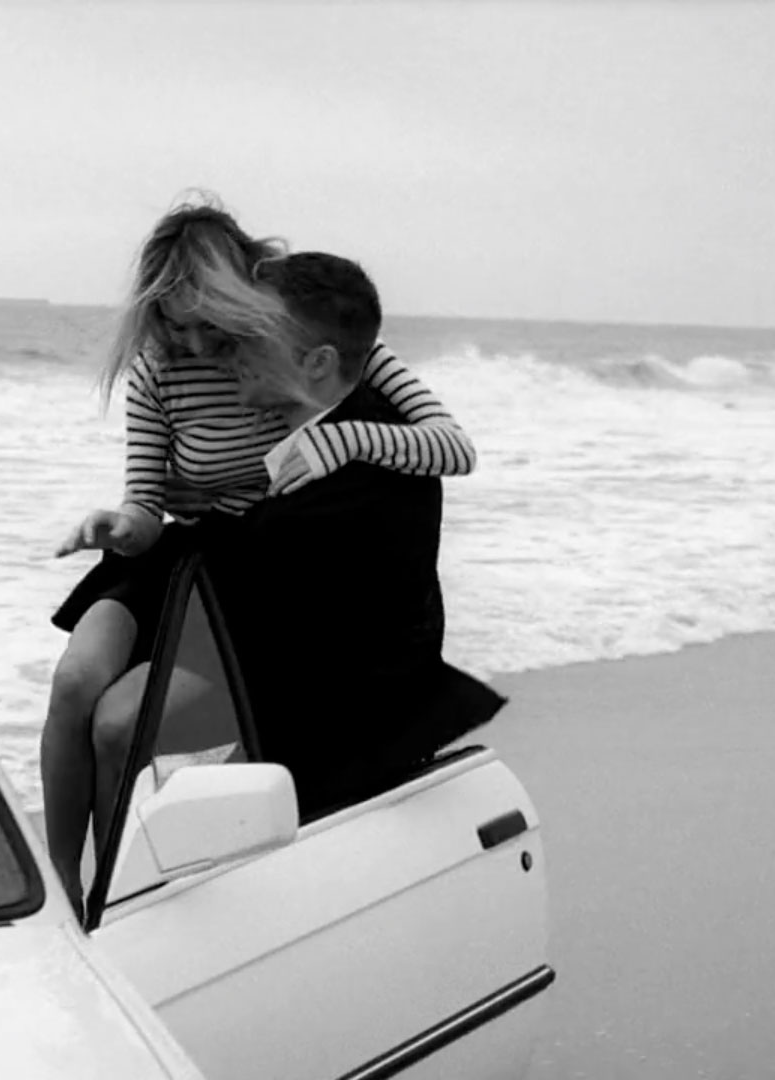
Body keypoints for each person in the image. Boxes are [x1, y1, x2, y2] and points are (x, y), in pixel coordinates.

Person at [38, 194, 478, 911]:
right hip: (178, 549)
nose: (194, 345)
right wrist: (120, 527)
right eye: (174, 325)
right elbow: (144, 504)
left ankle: (117, 893)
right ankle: (61, 881)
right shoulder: (157, 371)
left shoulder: (291, 343)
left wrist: (344, 440)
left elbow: (451, 446)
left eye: (207, 324)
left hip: (258, 558)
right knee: (75, 682)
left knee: (122, 722)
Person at [92, 251, 505, 846]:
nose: (227, 352)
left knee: (118, 725)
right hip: (301, 678)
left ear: (316, 362)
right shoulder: (345, 434)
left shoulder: (349, 477)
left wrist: (190, 515)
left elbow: (262, 578)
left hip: (332, 735)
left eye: (251, 337)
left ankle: (121, 884)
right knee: (105, 697)